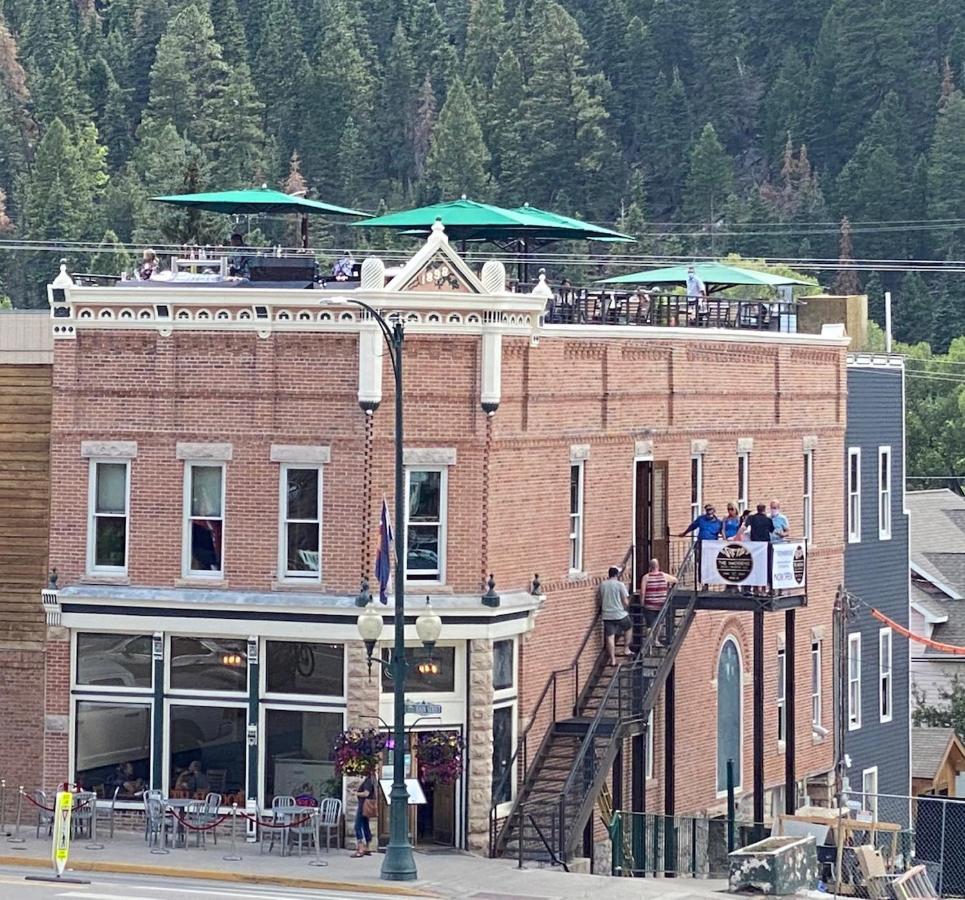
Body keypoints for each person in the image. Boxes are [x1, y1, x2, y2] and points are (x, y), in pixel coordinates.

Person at [598, 565, 632, 665]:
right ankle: (626, 648)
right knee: (628, 627)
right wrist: (626, 605)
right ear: (617, 574)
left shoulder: (602, 585)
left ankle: (613, 659)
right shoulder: (620, 585)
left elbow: (600, 599)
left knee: (610, 636)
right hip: (619, 614)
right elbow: (625, 602)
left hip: (607, 614)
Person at [639, 559, 677, 647]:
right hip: (661, 605)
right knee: (659, 623)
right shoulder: (664, 576)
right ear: (658, 566)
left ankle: (649, 643)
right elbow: (675, 580)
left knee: (649, 625)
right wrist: (669, 587)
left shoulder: (646, 577)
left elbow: (642, 592)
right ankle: (655, 640)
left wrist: (642, 602)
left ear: (649, 567)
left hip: (649, 605)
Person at [352, 771, 376, 857]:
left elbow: (366, 793)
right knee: (365, 825)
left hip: (363, 805)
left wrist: (355, 793)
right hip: (366, 806)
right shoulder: (372, 780)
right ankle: (367, 847)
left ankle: (360, 848)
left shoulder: (368, 781)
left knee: (357, 826)